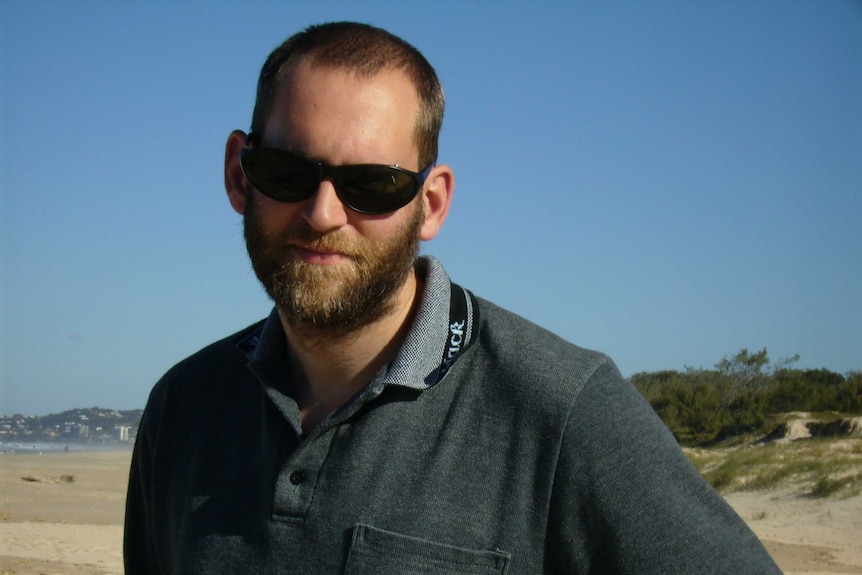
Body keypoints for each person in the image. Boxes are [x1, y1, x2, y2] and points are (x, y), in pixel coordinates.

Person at [124, 21, 782, 575]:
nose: (323, 212)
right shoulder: (183, 409)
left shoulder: (561, 407)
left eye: (373, 184)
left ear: (430, 202)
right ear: (240, 175)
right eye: (288, 174)